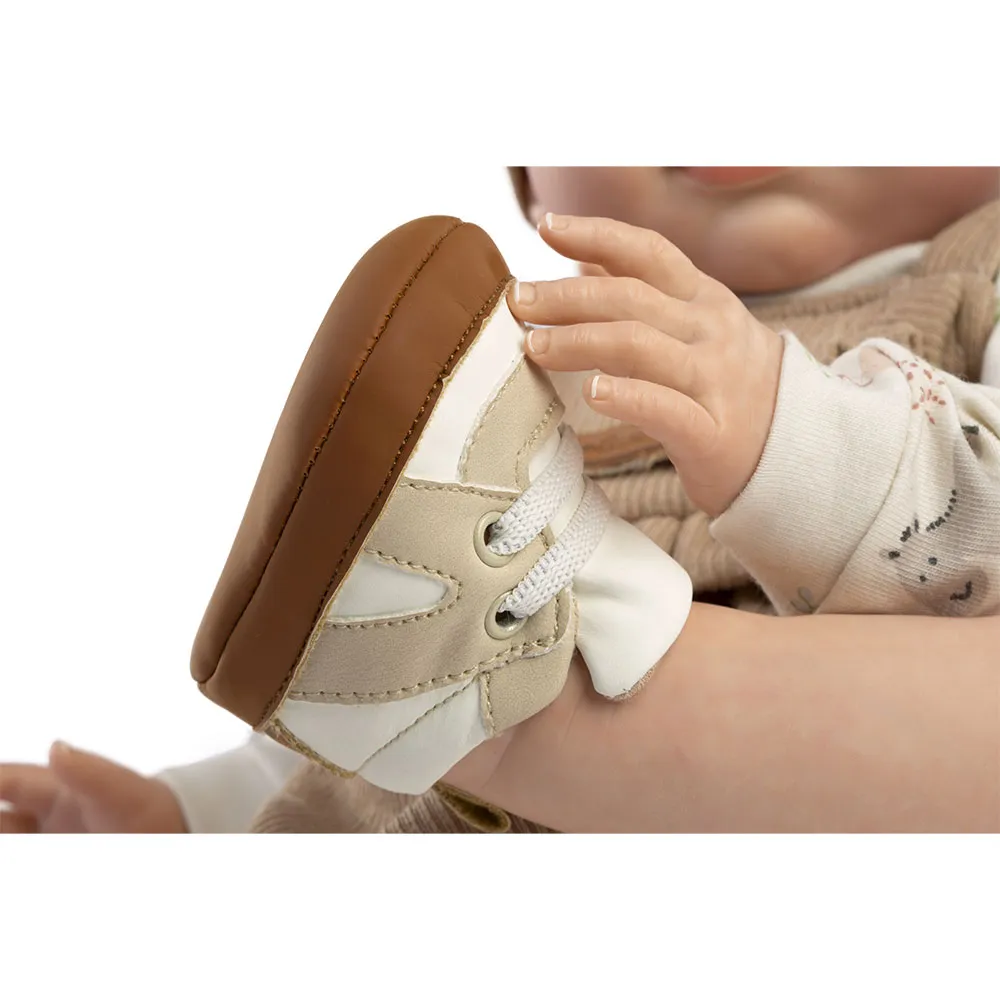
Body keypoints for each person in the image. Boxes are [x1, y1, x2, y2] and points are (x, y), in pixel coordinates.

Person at [2, 167, 998, 833]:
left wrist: (793, 438)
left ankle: (525, 721)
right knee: (378, 683)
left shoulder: (978, 281)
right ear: (530, 175)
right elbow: (353, 740)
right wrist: (193, 816)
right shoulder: (530, 356)